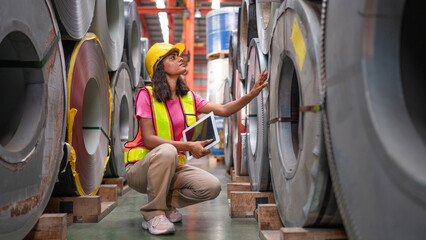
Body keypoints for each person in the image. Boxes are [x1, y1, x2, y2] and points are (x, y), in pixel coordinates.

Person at [124, 42, 268, 235]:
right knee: (168, 151)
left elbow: (224, 110)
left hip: (171, 168)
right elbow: (149, 140)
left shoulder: (188, 97)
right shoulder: (146, 95)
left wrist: (252, 94)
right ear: (159, 67)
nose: (181, 58)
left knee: (211, 186)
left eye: (179, 55)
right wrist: (188, 145)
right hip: (140, 169)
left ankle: (166, 206)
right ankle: (153, 214)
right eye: (172, 57)